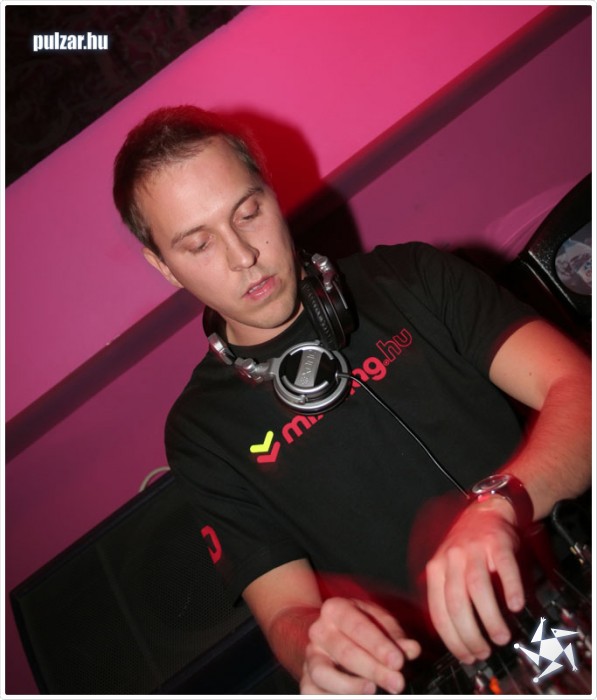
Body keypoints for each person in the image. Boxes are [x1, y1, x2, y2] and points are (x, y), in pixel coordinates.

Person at [113, 105, 591, 695]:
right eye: (198, 244)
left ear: (271, 193)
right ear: (163, 265)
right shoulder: (200, 433)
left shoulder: (413, 275)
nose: (243, 255)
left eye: (248, 213)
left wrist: (500, 505)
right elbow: (286, 615)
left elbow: (581, 391)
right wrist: (316, 645)